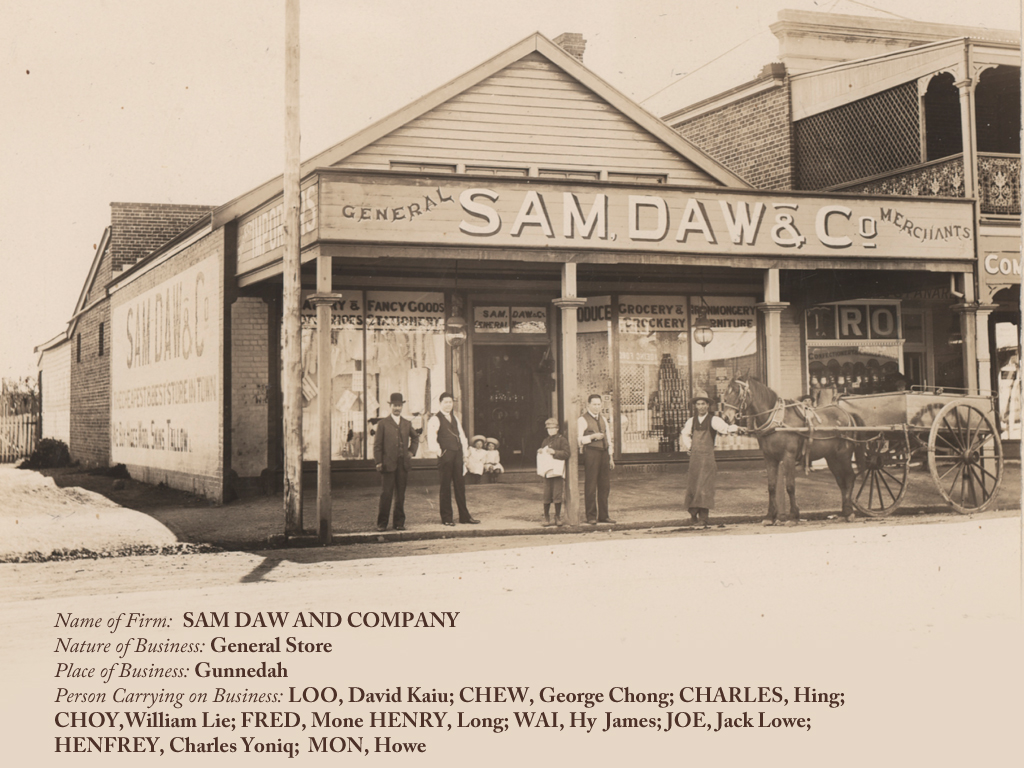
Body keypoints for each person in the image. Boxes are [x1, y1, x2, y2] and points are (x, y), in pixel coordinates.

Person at [680, 389, 738, 528]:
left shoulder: (714, 420)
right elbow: (685, 434)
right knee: (693, 485)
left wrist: (735, 427)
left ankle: (704, 518)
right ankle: (693, 515)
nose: (701, 407)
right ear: (695, 406)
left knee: (705, 487)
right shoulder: (691, 421)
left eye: (703, 404)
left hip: (707, 459)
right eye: (698, 404)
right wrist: (689, 447)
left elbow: (725, 429)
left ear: (708, 405)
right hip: (695, 459)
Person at [426, 392, 480, 526]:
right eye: (446, 402)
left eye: (450, 402)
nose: (449, 405)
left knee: (460, 486)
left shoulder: (454, 418)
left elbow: (462, 437)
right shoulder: (435, 419)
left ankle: (464, 516)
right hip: (446, 456)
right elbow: (431, 439)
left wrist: (465, 454)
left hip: (457, 456)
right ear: (440, 403)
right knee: (445, 487)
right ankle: (447, 518)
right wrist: (440, 452)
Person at [373, 393, 420, 532]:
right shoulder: (382, 424)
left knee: (400, 495)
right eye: (394, 405)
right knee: (386, 494)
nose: (397, 408)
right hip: (388, 464)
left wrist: (411, 452)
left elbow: (415, 438)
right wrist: (378, 462)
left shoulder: (406, 423)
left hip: (403, 465)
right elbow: (377, 445)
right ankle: (382, 523)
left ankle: (399, 523)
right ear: (390, 406)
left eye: (399, 405)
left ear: (402, 406)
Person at [577, 394, 615, 525]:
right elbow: (579, 440)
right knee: (591, 485)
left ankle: (604, 516)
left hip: (604, 454)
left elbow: (609, 439)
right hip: (591, 453)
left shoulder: (603, 419)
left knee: (605, 486)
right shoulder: (582, 420)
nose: (597, 407)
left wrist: (610, 456)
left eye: (599, 404)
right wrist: (592, 437)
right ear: (588, 405)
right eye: (594, 404)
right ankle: (591, 516)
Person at [538, 417, 570, 526]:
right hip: (547, 471)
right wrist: (540, 451)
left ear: (557, 429)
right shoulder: (545, 441)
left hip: (557, 471)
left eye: (553, 428)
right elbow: (543, 454)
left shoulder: (562, 440)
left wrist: (555, 452)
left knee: (557, 494)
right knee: (546, 494)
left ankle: (557, 516)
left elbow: (567, 453)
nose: (550, 430)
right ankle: (546, 517)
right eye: (548, 429)